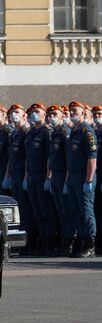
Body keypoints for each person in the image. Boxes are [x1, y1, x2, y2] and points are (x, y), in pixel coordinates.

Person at [24, 103, 57, 255]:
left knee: (46, 211)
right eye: (32, 112)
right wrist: (26, 176)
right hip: (31, 176)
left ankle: (49, 243)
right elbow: (27, 157)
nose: (34, 114)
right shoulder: (30, 133)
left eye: (37, 111)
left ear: (44, 115)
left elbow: (50, 156)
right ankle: (40, 241)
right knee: (36, 211)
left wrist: (48, 177)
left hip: (42, 176)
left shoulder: (47, 132)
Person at [65, 101, 97, 258]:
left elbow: (92, 158)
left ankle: (90, 244)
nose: (72, 114)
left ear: (83, 113)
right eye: (71, 111)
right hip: (72, 177)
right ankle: (81, 242)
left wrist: (89, 181)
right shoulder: (74, 131)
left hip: (83, 177)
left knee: (86, 212)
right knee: (75, 211)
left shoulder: (87, 132)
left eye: (75, 111)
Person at [8, 104, 38, 255]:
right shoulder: (15, 133)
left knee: (27, 210)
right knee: (19, 210)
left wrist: (25, 176)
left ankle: (32, 241)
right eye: (12, 112)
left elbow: (27, 157)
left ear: (24, 115)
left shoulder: (26, 132)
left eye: (17, 112)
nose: (14, 115)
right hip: (15, 175)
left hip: (24, 175)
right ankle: (25, 242)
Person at [47, 105, 73, 255]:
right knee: (59, 211)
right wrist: (49, 176)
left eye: (54, 114)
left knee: (66, 210)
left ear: (62, 116)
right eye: (50, 114)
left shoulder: (65, 133)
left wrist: (66, 181)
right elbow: (51, 157)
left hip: (64, 175)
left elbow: (69, 159)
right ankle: (62, 241)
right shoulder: (55, 133)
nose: (52, 117)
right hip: (55, 175)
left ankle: (69, 242)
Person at [93, 105, 102, 255]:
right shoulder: (95, 133)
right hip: (97, 176)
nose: (97, 116)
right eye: (95, 114)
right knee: (98, 211)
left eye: (100, 113)